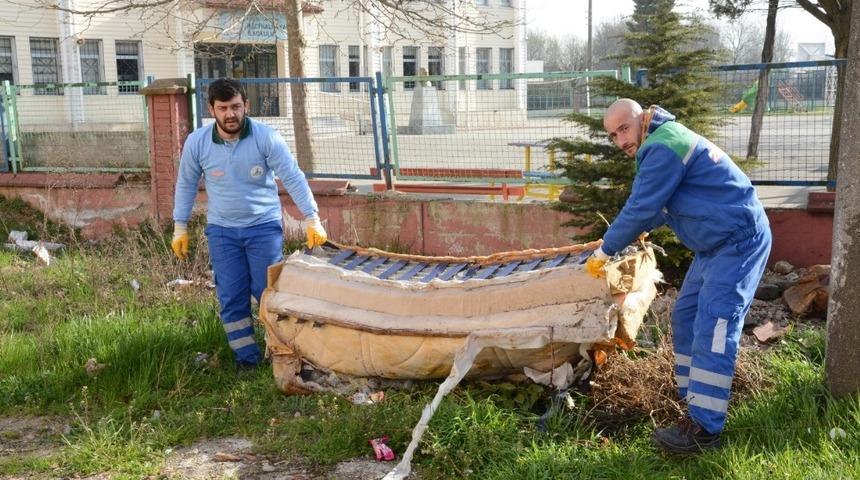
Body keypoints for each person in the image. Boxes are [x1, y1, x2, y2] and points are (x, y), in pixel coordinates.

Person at [587, 99, 771, 454]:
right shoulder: (660, 140)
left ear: (641, 118)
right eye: (613, 135)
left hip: (738, 241)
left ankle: (705, 428)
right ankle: (695, 403)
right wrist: (641, 227)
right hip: (714, 246)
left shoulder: (662, 146)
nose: (621, 141)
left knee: (714, 326)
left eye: (624, 129)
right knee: (685, 317)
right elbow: (668, 201)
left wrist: (604, 251)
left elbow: (641, 206)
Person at [170, 78, 327, 370]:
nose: (230, 114)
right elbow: (186, 184)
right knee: (231, 296)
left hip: (263, 228)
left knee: (266, 292)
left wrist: (312, 218)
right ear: (211, 110)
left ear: (246, 106)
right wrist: (180, 226)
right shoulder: (197, 142)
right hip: (222, 232)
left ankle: (281, 351)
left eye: (236, 107)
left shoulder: (266, 138)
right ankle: (247, 360)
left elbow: (292, 176)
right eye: (223, 108)